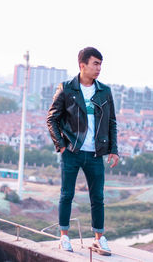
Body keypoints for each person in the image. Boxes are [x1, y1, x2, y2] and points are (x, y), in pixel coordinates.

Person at [47, 47, 119, 256]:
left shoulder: (104, 91)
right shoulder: (67, 88)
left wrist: (113, 150)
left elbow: (111, 121)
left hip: (96, 153)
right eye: (95, 64)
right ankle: (64, 237)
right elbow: (52, 118)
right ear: (82, 65)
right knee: (66, 195)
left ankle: (99, 238)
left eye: (100, 64)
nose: (99, 68)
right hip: (73, 151)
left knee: (98, 197)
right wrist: (60, 144)